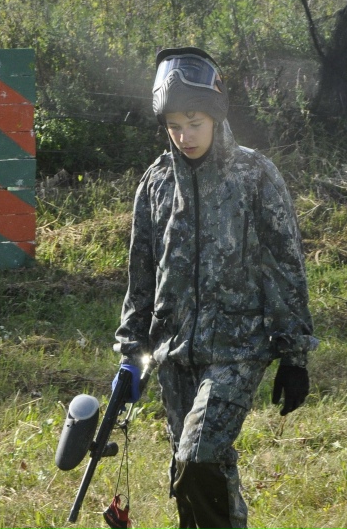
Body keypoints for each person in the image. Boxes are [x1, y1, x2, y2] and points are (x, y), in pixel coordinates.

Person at [114, 47, 317, 529]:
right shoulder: (156, 183)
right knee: (193, 474)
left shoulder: (254, 175)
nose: (184, 136)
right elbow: (142, 273)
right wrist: (130, 352)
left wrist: (294, 355)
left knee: (199, 455)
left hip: (237, 349)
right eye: (174, 126)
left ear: (216, 116)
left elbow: (284, 264)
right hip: (173, 352)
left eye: (194, 123)